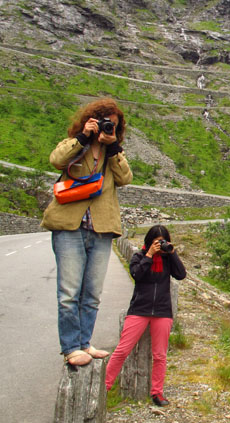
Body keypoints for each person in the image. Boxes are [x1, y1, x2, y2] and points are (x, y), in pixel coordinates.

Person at [41, 98, 133, 366]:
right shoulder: (76, 143)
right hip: (69, 226)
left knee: (92, 293)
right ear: (90, 120)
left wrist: (112, 145)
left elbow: (126, 178)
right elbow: (56, 160)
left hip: (101, 228)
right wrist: (83, 137)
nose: (108, 127)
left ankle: (84, 343)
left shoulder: (114, 152)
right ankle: (70, 347)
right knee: (69, 291)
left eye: (113, 125)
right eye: (104, 121)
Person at [105, 225, 186, 407]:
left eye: (162, 241)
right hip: (139, 310)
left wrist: (172, 253)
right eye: (156, 241)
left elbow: (181, 275)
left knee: (160, 355)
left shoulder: (167, 259)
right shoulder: (139, 256)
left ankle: (157, 392)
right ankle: (105, 386)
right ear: (149, 241)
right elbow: (137, 274)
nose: (160, 245)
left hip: (162, 311)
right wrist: (149, 255)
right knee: (122, 350)